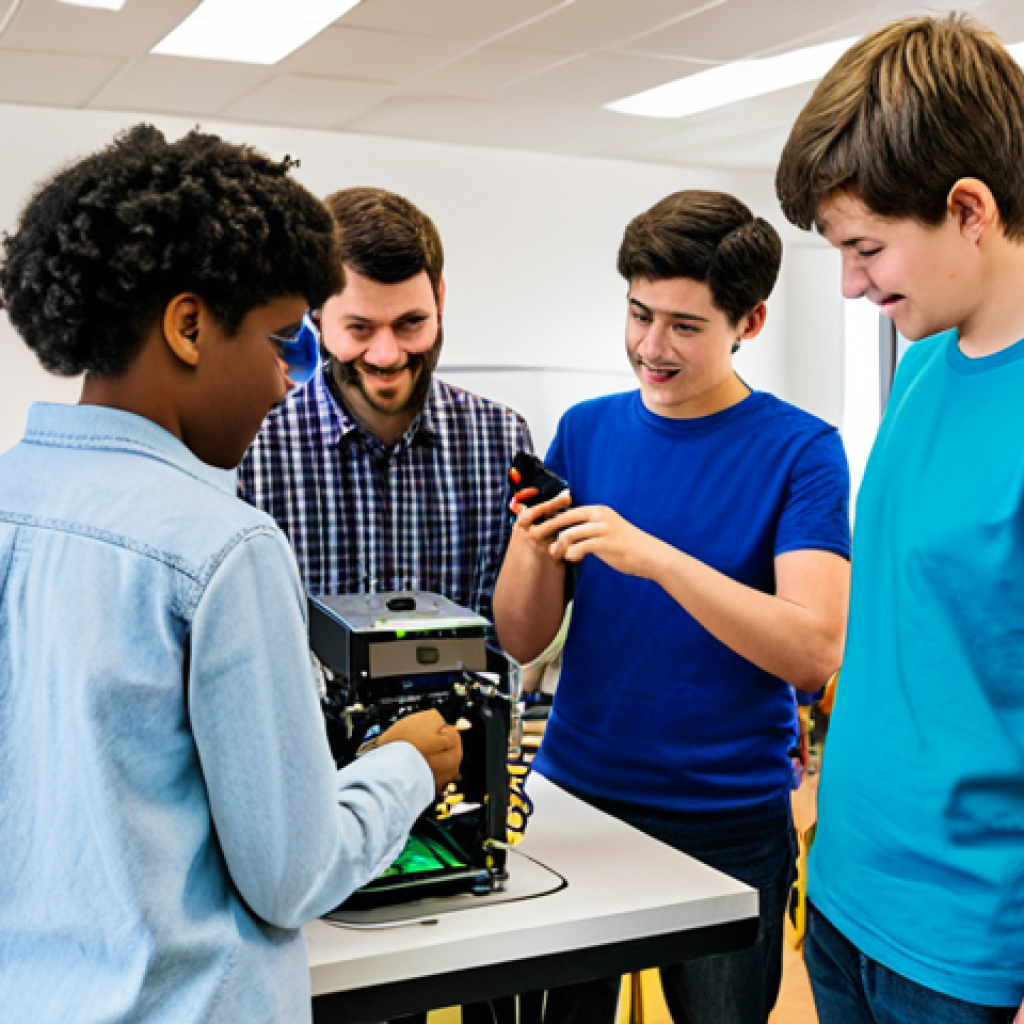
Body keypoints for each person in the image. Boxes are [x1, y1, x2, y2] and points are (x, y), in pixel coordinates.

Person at [0, 124, 462, 1024]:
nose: (292, 381)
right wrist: (407, 765)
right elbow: (294, 874)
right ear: (188, 325)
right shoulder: (222, 546)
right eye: (284, 341)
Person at [493, 190, 851, 1024]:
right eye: (638, 313)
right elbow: (519, 638)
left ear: (749, 322)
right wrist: (529, 544)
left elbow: (812, 650)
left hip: (728, 817)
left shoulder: (802, 450)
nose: (651, 348)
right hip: (579, 800)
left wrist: (654, 559)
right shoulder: (585, 430)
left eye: (685, 326)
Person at [775, 14, 1024, 1024]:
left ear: (970, 209)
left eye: (867, 248)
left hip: (966, 947)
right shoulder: (923, 359)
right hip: (845, 893)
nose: (849, 281)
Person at [238, 186, 532, 620]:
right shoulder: (254, 448)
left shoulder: (501, 438)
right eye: (359, 328)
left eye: (411, 323)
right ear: (315, 312)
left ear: (440, 300)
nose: (387, 355)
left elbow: (511, 633)